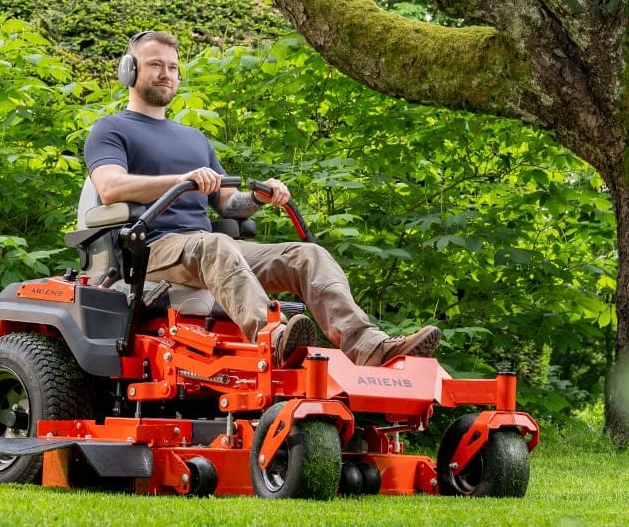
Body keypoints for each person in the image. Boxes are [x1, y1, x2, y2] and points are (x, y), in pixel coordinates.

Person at [83, 30, 441, 367]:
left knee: (307, 255)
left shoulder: (195, 139)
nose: (166, 74)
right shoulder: (112, 129)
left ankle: (369, 346)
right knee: (217, 244)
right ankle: (273, 338)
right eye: (155, 65)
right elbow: (110, 187)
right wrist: (181, 179)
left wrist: (257, 197)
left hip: (208, 249)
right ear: (129, 71)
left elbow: (227, 204)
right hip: (151, 248)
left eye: (173, 67)